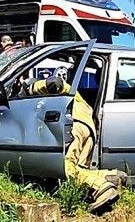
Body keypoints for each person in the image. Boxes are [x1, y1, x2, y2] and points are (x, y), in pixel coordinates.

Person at [25, 75, 126, 213]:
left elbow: (55, 82)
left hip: (75, 127)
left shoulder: (49, 88)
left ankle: (101, 186)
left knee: (66, 170)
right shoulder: (76, 95)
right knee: (78, 169)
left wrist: (29, 89)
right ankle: (111, 177)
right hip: (88, 130)